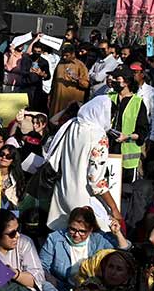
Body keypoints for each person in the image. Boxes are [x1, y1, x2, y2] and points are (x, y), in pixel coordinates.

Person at [44, 95, 125, 231]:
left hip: (62, 192)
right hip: (83, 198)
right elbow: (96, 182)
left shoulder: (72, 125)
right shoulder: (98, 136)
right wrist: (114, 208)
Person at [39, 206, 130, 291]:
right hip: (61, 290)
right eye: (72, 229)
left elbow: (123, 253)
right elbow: (41, 266)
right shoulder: (54, 239)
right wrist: (51, 280)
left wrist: (118, 233)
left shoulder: (99, 239)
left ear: (91, 230)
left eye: (82, 231)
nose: (76, 235)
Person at [108, 69, 149, 178]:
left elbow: (142, 131)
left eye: (117, 79)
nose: (113, 81)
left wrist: (127, 137)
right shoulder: (109, 97)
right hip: (108, 150)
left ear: (126, 83)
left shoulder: (137, 102)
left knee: (127, 189)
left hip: (128, 158)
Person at [49, 44, 90, 115]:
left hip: (71, 105)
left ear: (73, 54)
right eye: (63, 55)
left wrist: (77, 78)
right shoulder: (60, 64)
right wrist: (50, 96)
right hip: (57, 104)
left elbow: (86, 85)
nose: (64, 57)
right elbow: (54, 82)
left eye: (67, 55)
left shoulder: (80, 65)